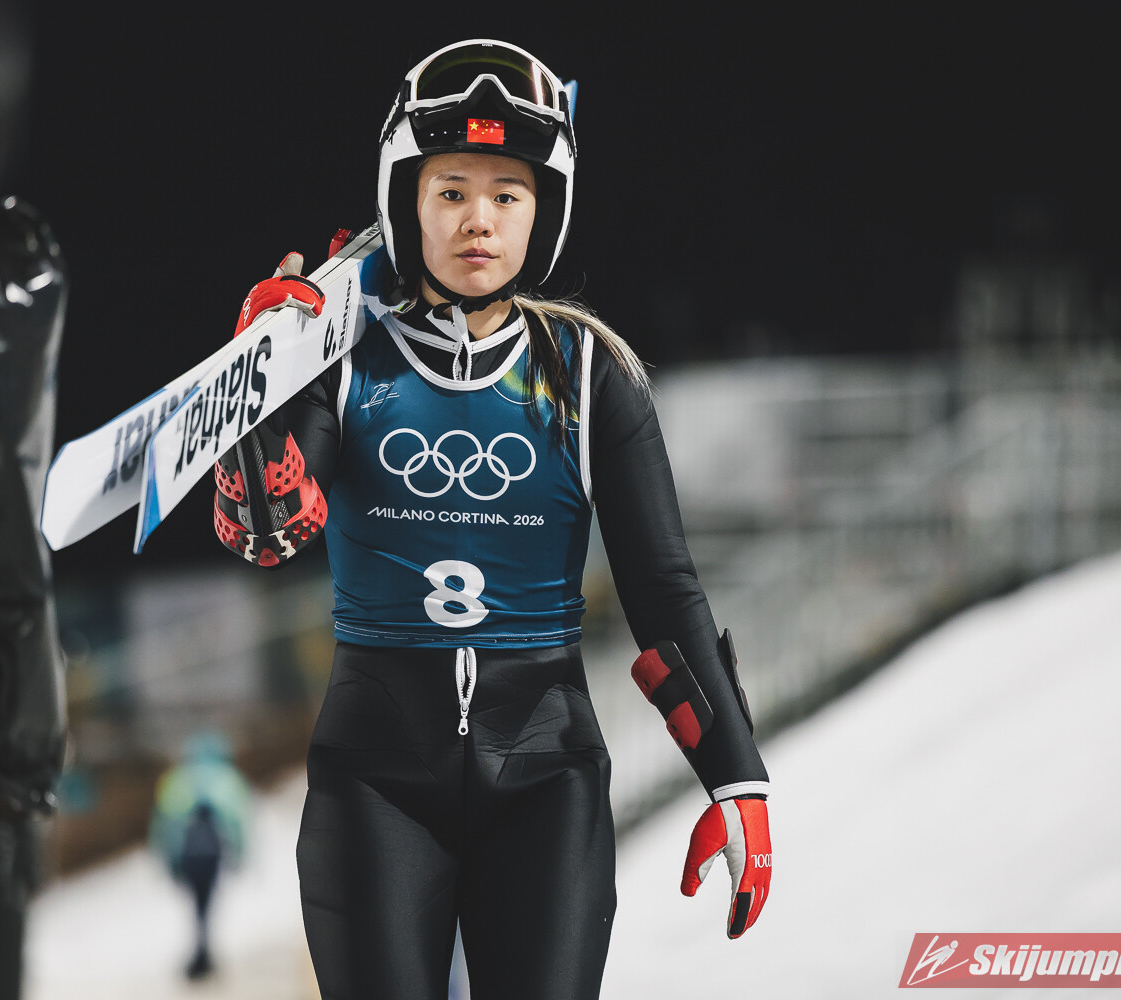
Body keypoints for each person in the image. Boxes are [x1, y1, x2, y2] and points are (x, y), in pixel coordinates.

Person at [211, 39, 772, 1000]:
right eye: (451, 191)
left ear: (543, 211)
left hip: (547, 780)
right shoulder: (339, 362)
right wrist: (257, 386)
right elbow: (265, 533)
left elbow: (663, 593)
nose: (480, 219)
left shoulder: (592, 374)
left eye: (508, 194)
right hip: (374, 784)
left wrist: (737, 779)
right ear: (407, 205)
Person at [148, 731, 253, 980]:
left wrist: (169, 860)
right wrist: (238, 854)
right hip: (213, 855)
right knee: (207, 903)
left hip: (188, 855)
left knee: (197, 904)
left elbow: (165, 823)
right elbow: (236, 821)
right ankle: (203, 952)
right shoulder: (227, 777)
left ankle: (201, 952)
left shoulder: (177, 778)